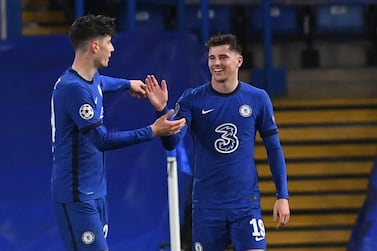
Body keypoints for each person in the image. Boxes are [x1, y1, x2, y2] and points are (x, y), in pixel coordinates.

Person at [50, 14, 185, 251]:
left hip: (95, 190)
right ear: (95, 45)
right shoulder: (73, 89)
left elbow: (102, 83)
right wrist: (152, 131)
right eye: (109, 42)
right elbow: (100, 140)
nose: (112, 49)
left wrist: (128, 84)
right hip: (77, 195)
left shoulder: (90, 80)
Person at [145, 33, 290, 251]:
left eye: (223, 57)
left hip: (245, 203)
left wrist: (282, 195)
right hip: (207, 206)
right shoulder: (192, 99)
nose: (216, 63)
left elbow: (274, 149)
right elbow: (172, 143)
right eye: (212, 58)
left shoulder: (258, 98)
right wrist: (162, 110)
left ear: (238, 61)